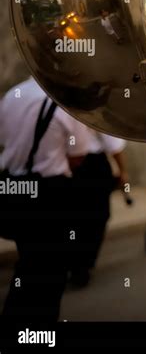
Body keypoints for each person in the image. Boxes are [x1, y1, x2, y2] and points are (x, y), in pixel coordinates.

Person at [0, 77, 91, 321]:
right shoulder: (65, 100)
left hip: (13, 188)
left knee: (30, 261)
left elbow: (4, 140)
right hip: (50, 193)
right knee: (49, 273)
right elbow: (78, 155)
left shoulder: (12, 95)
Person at [69, 130, 128, 287]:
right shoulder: (88, 108)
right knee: (98, 215)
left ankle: (77, 263)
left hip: (67, 164)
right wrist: (122, 170)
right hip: (92, 164)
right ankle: (83, 264)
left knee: (76, 218)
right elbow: (113, 144)